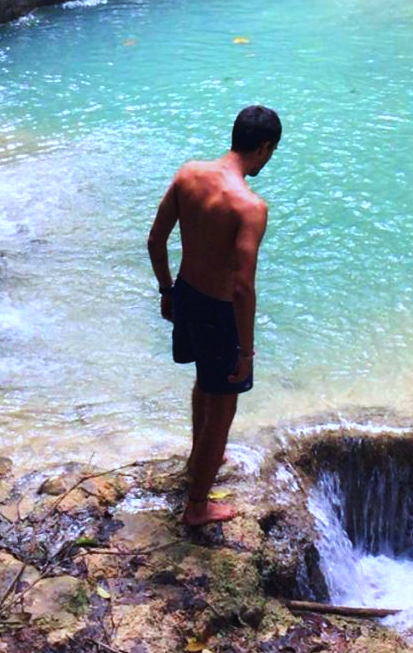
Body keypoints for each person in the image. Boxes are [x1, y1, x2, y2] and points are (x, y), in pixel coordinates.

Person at [147, 105, 282, 527]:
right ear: (264, 147)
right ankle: (197, 505)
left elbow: (155, 240)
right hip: (219, 311)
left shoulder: (189, 174)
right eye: (271, 152)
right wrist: (247, 351)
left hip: (186, 294)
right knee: (223, 410)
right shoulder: (249, 206)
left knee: (205, 383)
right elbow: (242, 287)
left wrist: (167, 290)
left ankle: (198, 458)